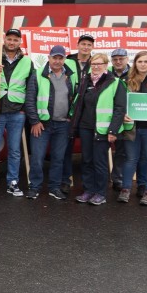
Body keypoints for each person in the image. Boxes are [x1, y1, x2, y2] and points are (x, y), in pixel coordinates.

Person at [69, 52, 127, 205]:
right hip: (85, 128)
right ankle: (88, 190)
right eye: (93, 64)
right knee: (86, 160)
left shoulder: (115, 83)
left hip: (103, 130)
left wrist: (113, 130)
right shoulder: (85, 81)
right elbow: (79, 104)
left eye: (99, 64)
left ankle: (100, 193)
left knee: (99, 162)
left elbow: (120, 109)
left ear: (105, 65)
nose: (95, 67)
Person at [0, 29, 34, 197]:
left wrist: (25, 109)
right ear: (4, 40)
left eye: (15, 40)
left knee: (14, 150)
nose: (12, 42)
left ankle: (13, 182)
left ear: (20, 42)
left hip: (16, 113)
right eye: (9, 39)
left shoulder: (27, 62)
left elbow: (31, 88)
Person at [24, 45, 77, 200]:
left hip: (63, 125)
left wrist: (70, 117)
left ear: (64, 59)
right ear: (49, 58)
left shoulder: (70, 76)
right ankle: (34, 187)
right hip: (42, 124)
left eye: (60, 58)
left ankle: (54, 187)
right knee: (37, 158)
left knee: (58, 158)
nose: (57, 61)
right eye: (55, 57)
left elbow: (74, 99)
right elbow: (30, 100)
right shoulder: (38, 74)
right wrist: (34, 121)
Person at [62, 34, 95, 193]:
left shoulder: (96, 63)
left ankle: (88, 185)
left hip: (88, 113)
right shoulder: (67, 61)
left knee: (87, 151)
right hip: (69, 112)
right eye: (83, 44)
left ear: (92, 47)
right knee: (66, 148)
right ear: (78, 45)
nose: (86, 47)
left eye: (89, 44)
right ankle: (66, 180)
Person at [117, 51, 147, 205]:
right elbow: (119, 102)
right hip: (131, 127)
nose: (143, 64)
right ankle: (126, 189)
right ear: (135, 63)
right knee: (130, 159)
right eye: (140, 61)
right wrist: (122, 114)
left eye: (146, 61)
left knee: (146, 159)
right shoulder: (127, 80)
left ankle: (146, 190)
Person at [109, 48, 131, 191]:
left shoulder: (134, 74)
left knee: (123, 151)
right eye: (115, 59)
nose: (118, 61)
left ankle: (118, 178)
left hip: (129, 119)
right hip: (110, 117)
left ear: (127, 59)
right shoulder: (107, 73)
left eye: (121, 59)